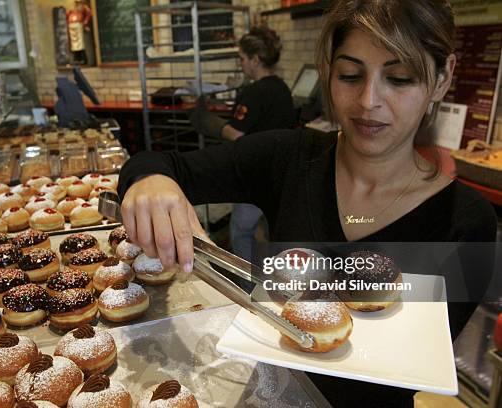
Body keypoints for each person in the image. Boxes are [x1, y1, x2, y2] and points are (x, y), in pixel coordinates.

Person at [118, 0, 498, 406]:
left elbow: (414, 371)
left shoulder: (467, 222)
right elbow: (158, 163)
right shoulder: (289, 156)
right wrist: (150, 181)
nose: (369, 100)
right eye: (350, 75)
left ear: (443, 78)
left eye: (400, 79)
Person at [190, 26, 295, 262]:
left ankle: (249, 286)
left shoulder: (255, 92)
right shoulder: (282, 88)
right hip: (282, 172)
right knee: (273, 232)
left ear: (256, 60)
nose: (241, 63)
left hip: (258, 174)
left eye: (242, 58)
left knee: (241, 231)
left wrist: (208, 121)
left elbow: (237, 134)